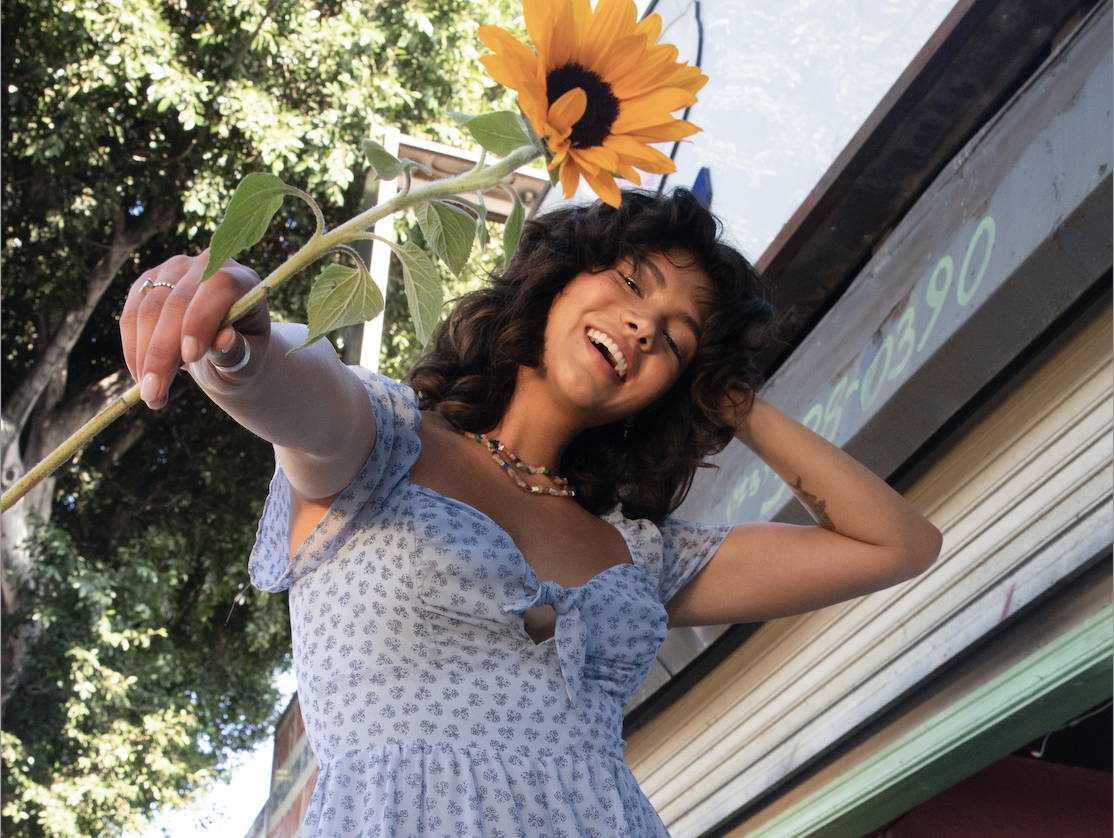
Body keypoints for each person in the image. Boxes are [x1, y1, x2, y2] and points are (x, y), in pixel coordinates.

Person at [120, 188, 941, 837]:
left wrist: (728, 396)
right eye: (631, 283)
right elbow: (294, 388)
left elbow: (896, 544)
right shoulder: (384, 442)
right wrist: (230, 333)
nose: (644, 327)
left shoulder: (640, 557)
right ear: (559, 277)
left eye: (676, 339)